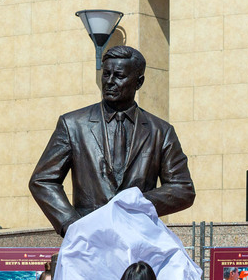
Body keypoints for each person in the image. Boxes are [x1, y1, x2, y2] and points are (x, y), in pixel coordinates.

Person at [29, 45, 195, 237]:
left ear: (138, 82)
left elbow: (183, 189)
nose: (109, 81)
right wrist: (70, 224)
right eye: (106, 74)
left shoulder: (161, 131)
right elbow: (42, 180)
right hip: (88, 239)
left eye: (119, 76)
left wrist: (134, 202)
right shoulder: (73, 125)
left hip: (139, 238)